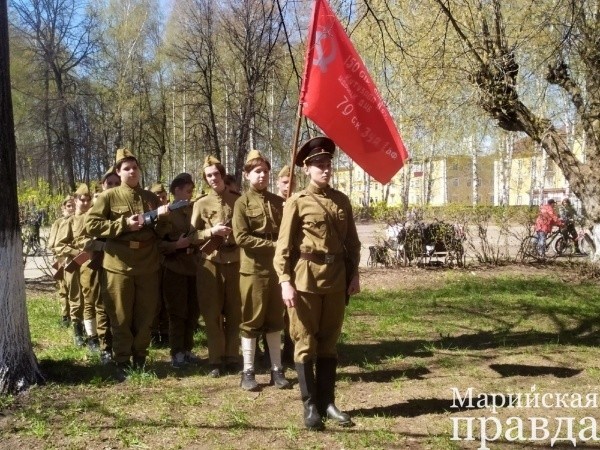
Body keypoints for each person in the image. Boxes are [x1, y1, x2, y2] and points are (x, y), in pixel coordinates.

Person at [274, 136, 361, 430]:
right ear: (307, 169)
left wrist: (354, 274)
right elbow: (283, 247)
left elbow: (352, 243)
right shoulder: (296, 202)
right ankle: (310, 405)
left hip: (336, 280)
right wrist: (285, 281)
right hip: (306, 281)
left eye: (328, 164)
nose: (325, 169)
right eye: (319, 165)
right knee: (304, 342)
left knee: (329, 343)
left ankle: (328, 402)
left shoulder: (341, 201)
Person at [85, 148, 169, 380]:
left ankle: (140, 356)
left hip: (147, 264)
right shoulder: (108, 197)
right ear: (118, 172)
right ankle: (121, 359)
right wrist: (123, 224)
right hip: (118, 264)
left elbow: (162, 233)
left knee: (146, 314)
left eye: (135, 167)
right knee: (120, 315)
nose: (132, 172)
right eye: (127, 168)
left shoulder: (150, 198)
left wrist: (163, 218)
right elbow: (91, 225)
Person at [232, 150, 290, 391]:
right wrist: (273, 245)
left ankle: (277, 369)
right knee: (252, 320)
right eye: (257, 172)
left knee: (275, 319)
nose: (262, 175)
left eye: (265, 171)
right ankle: (248, 371)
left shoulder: (279, 202)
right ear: (247, 175)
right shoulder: (241, 203)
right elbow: (241, 237)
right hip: (253, 270)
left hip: (276, 269)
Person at [191, 156, 242, 377]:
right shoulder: (200, 203)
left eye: (216, 174)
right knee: (211, 313)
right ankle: (215, 359)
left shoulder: (238, 200)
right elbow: (191, 235)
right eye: (209, 175)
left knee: (235, 311)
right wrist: (211, 231)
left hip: (236, 260)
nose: (213, 178)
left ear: (222, 175)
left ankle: (232, 356)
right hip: (210, 261)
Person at [156, 173, 200, 368]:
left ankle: (188, 349)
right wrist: (176, 245)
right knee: (177, 312)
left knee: (192, 311)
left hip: (194, 266)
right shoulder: (166, 213)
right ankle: (177, 353)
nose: (191, 195)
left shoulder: (194, 209)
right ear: (177, 190)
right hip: (174, 267)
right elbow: (158, 244)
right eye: (188, 191)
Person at [54, 184, 92, 347]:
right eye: (82, 200)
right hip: (74, 263)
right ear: (76, 200)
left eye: (88, 200)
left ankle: (90, 331)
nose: (85, 203)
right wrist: (76, 252)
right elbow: (59, 245)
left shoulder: (93, 218)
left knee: (90, 297)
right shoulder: (69, 221)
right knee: (76, 297)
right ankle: (77, 331)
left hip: (90, 263)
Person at [48, 196, 74, 327]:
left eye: (73, 205)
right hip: (62, 258)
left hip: (77, 258)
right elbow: (52, 244)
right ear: (63, 208)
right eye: (69, 206)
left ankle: (77, 318)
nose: (71, 208)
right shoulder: (58, 222)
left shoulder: (79, 219)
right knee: (64, 289)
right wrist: (60, 257)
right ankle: (65, 316)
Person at [149, 182, 170, 347]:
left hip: (168, 261)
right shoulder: (148, 217)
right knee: (154, 299)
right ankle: (154, 331)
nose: (161, 200)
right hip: (152, 261)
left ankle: (166, 331)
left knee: (167, 297)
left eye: (163, 197)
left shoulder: (171, 213)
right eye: (158, 198)